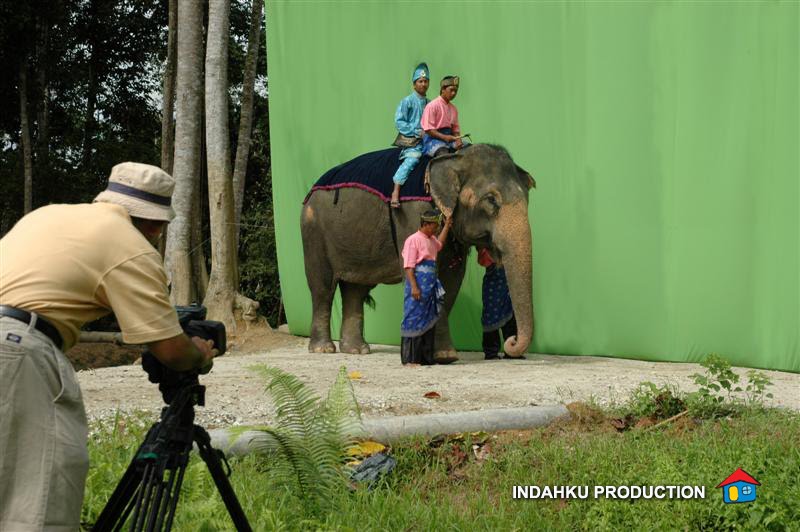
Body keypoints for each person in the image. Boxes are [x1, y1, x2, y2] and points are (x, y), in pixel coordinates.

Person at [0, 162, 217, 531]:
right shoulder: (131, 247)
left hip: (11, 339)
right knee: (39, 494)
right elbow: (170, 350)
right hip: (18, 350)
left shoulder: (48, 216)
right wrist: (201, 353)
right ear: (155, 224)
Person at [400, 210, 453, 365]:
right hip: (417, 286)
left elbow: (439, 245)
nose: (436, 228)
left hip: (430, 286)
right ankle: (411, 359)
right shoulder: (413, 240)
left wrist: (447, 226)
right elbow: (409, 266)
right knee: (414, 318)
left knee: (428, 319)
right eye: (435, 226)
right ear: (426, 224)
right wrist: (415, 287)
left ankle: (425, 358)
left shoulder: (431, 239)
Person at [390, 62, 430, 208]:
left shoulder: (430, 104)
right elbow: (399, 121)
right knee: (413, 159)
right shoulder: (407, 101)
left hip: (428, 141)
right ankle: (395, 192)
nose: (423, 84)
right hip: (412, 143)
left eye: (426, 81)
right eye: (420, 81)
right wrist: (416, 131)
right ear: (414, 84)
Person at [477, 247, 517, 360]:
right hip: (492, 286)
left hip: (506, 286)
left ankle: (512, 351)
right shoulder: (485, 247)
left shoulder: (507, 248)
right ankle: (491, 352)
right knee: (490, 318)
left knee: (510, 316)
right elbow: (483, 260)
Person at [420, 75, 469, 157]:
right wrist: (445, 137)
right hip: (433, 139)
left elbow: (455, 129)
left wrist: (458, 139)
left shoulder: (454, 109)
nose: (454, 93)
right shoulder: (432, 106)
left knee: (469, 149)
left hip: (449, 138)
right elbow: (428, 130)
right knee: (444, 155)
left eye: (456, 91)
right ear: (443, 89)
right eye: (451, 90)